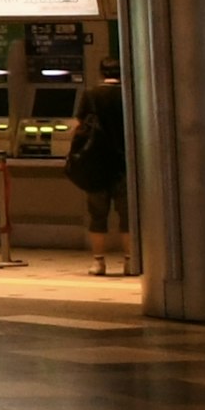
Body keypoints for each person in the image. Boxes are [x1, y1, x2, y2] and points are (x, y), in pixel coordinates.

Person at [64, 77, 128, 275]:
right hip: (123, 162)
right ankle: (130, 260)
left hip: (96, 163)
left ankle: (99, 262)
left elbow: (79, 123)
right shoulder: (127, 93)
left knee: (98, 216)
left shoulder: (91, 94)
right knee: (127, 216)